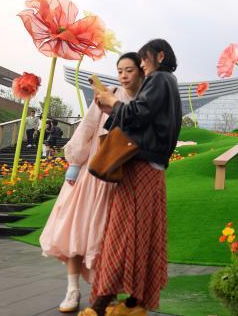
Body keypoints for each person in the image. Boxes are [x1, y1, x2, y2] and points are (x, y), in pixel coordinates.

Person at [40, 53, 145, 313]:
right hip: (93, 173)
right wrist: (75, 163)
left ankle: (105, 292)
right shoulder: (108, 93)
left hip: (120, 178)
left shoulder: (144, 103)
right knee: (76, 229)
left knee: (108, 239)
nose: (124, 75)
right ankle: (72, 289)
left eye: (130, 70)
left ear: (141, 72)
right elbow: (87, 127)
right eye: (120, 70)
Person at [85, 39, 182, 316]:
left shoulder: (159, 79)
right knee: (142, 235)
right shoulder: (169, 83)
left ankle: (100, 305)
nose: (142, 65)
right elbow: (140, 118)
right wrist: (113, 107)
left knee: (121, 233)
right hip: (152, 168)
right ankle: (134, 303)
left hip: (140, 167)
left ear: (159, 56)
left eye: (143, 60)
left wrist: (113, 102)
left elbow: (137, 115)